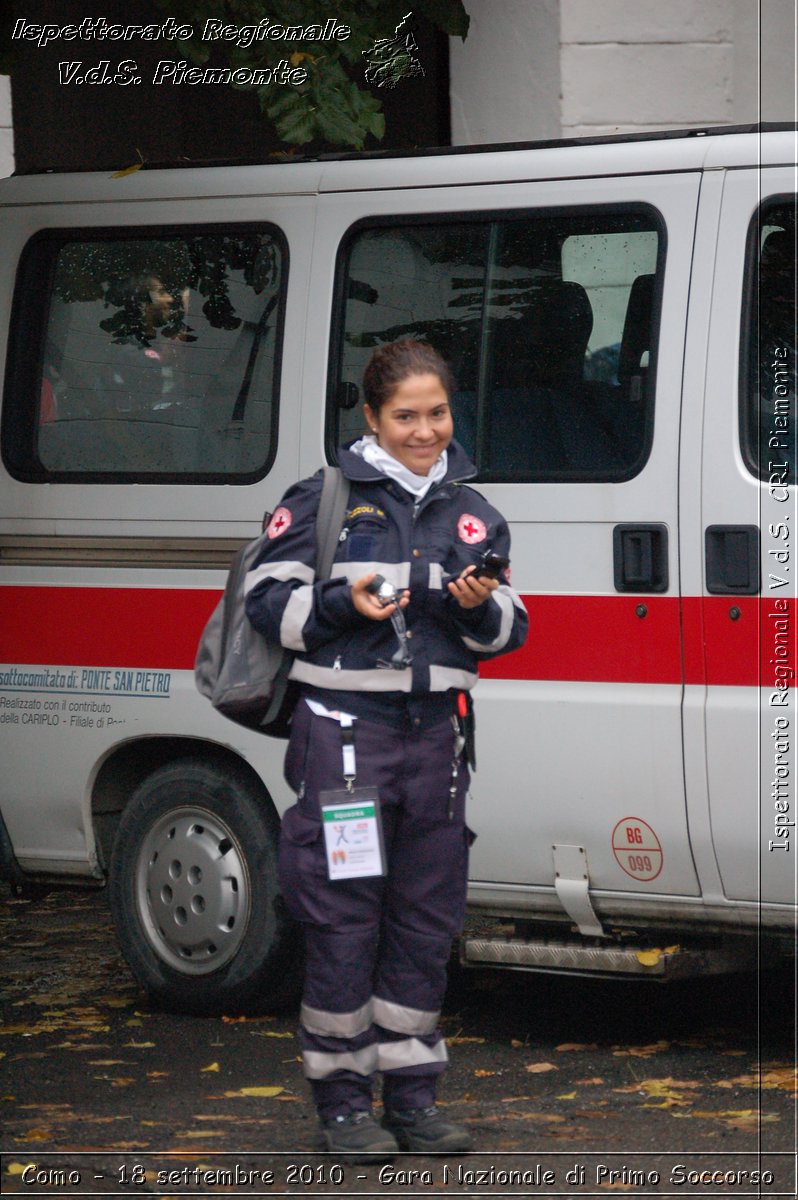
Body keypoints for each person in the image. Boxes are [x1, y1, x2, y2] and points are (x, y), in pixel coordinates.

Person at [244, 339, 528, 1159]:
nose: (424, 430)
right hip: (345, 741)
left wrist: (478, 608)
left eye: (436, 413)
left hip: (437, 745)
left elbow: (512, 626)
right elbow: (269, 604)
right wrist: (344, 601)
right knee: (344, 923)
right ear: (371, 417)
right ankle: (341, 1104)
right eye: (405, 415)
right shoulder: (324, 497)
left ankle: (412, 1098)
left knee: (424, 923)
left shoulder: (471, 510)